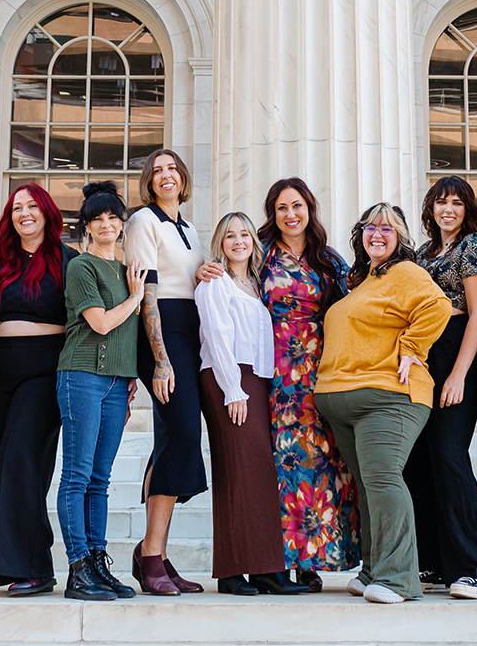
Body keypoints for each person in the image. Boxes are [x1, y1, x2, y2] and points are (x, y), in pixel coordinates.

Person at [316, 203, 452, 603]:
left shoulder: (406, 272)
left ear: (401, 238)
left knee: (383, 480)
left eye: (388, 228)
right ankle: (374, 568)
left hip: (389, 397)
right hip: (342, 398)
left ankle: (398, 579)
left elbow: (438, 306)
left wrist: (412, 347)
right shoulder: (363, 281)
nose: (377, 233)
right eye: (370, 227)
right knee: (369, 486)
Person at [193, 212, 309, 597]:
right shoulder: (215, 284)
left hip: (257, 381)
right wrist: (233, 390)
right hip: (231, 379)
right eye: (230, 235)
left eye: (244, 234)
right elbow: (217, 337)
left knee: (255, 472)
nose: (239, 240)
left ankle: (262, 569)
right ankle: (234, 571)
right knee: (239, 468)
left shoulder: (255, 284)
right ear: (220, 244)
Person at [257, 178, 360, 590]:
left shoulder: (329, 261)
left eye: (297, 206)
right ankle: (279, 558)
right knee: (283, 464)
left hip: (321, 369)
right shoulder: (260, 257)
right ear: (273, 214)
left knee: (321, 463)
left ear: (309, 209)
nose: (290, 214)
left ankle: (312, 561)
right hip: (275, 369)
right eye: (282, 208)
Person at [405, 176, 477, 599]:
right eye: (441, 202)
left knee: (448, 455)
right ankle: (434, 563)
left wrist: (459, 374)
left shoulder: (476, 247)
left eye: (457, 203)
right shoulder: (424, 254)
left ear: (467, 209)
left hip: (456, 353)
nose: (448, 209)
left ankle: (476, 567)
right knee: (419, 460)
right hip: (423, 360)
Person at [0, 183, 78, 596]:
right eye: (16, 207)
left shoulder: (67, 259)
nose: (24, 213)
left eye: (32, 206)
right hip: (0, 370)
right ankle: (11, 565)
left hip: (47, 367)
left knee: (23, 458)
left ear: (46, 213)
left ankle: (36, 565)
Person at [122, 149, 208, 595]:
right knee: (178, 438)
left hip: (191, 333)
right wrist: (160, 359)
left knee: (173, 441)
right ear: (149, 182)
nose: (166, 175)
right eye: (157, 171)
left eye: (173, 167)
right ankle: (150, 554)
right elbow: (148, 294)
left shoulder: (190, 228)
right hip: (164, 335)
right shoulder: (143, 222)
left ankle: (156, 553)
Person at [55, 181, 146, 601]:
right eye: (98, 219)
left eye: (114, 217)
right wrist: (137, 296)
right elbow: (102, 323)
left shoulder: (127, 267)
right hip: (82, 376)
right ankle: (77, 569)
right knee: (76, 476)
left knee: (100, 479)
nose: (107, 224)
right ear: (87, 227)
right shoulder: (82, 266)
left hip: (116, 382)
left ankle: (97, 561)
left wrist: (129, 383)